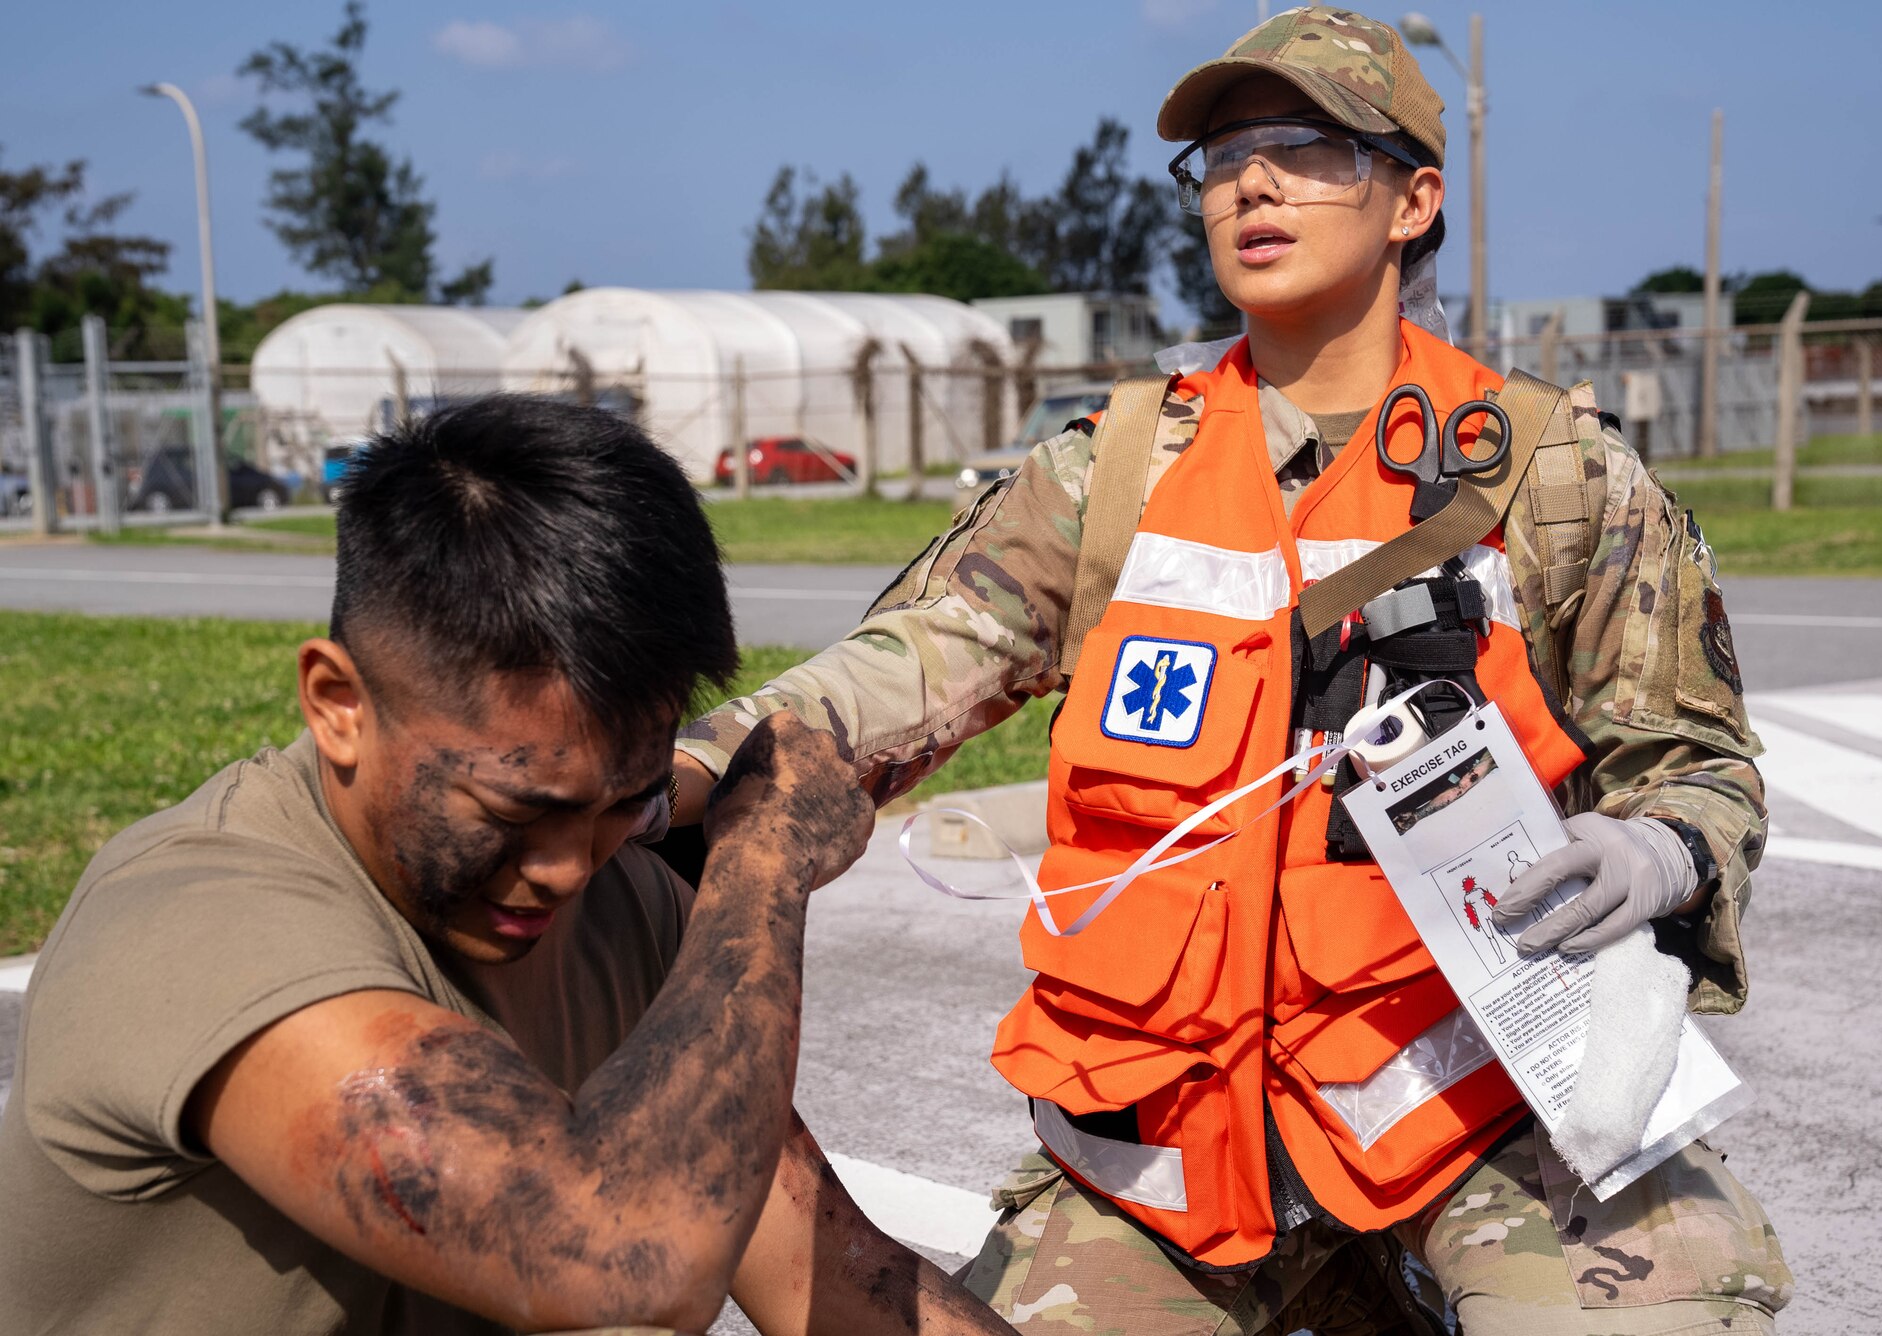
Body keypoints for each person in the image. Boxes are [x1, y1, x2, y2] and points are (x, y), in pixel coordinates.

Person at [668, 8, 1792, 1332]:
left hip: (1480, 1127)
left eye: (1304, 148)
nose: (1250, 182)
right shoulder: (1112, 473)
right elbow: (894, 671)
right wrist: (673, 774)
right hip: (1170, 1166)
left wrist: (1660, 854)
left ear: (1414, 198)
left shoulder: (1550, 476)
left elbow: (1695, 763)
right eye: (1221, 156)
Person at [0, 396, 1011, 1336]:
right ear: (336, 703)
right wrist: (762, 867)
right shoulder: (203, 928)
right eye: (519, 808)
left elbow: (825, 1274)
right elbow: (629, 1254)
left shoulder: (625, 905)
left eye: (627, 799)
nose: (570, 867)